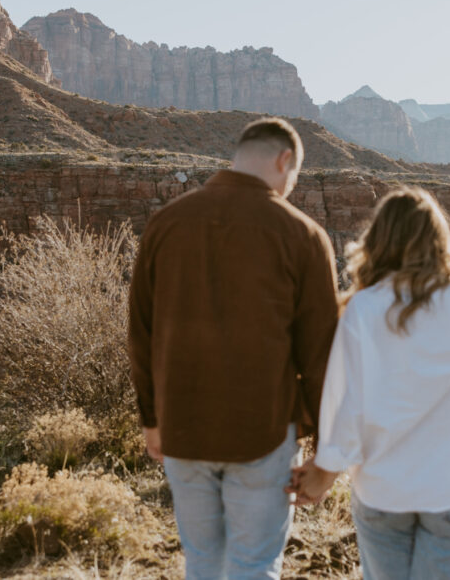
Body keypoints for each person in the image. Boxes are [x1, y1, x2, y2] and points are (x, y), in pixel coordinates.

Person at [127, 117, 340, 580]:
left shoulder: (166, 223)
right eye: (295, 176)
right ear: (285, 161)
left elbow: (140, 334)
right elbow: (322, 357)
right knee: (254, 565)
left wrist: (151, 420)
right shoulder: (303, 235)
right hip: (262, 434)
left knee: (202, 562)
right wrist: (327, 455)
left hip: (181, 428)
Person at [289, 186, 450, 580]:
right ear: (439, 241)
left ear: (379, 242)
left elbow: (344, 404)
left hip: (383, 491)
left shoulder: (362, 309)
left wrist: (326, 469)